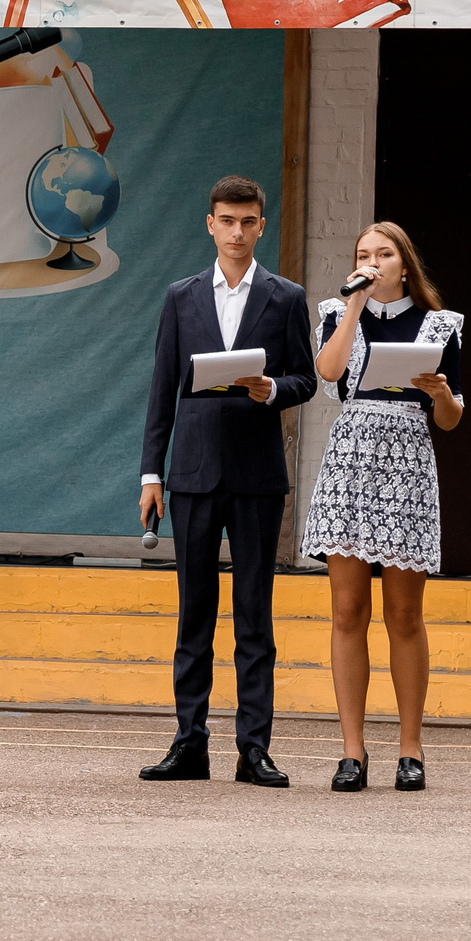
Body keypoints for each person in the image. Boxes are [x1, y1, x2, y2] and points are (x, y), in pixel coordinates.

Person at [137, 174, 316, 788]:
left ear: (262, 226)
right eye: (226, 221)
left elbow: (307, 380)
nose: (237, 232)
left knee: (253, 617)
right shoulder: (180, 297)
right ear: (209, 224)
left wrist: (272, 388)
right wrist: (150, 474)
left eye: (248, 222)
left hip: (258, 477)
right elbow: (162, 390)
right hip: (189, 474)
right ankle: (189, 743)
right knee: (194, 615)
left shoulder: (286, 297)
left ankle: (253, 749)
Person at [301, 222, 466, 794]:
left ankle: (411, 749)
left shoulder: (439, 325)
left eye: (383, 254)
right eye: (363, 255)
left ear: (404, 263)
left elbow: (449, 419)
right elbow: (328, 372)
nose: (372, 262)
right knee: (347, 611)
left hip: (409, 460)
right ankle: (351, 753)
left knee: (404, 615)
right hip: (351, 461)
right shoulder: (337, 310)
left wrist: (441, 393)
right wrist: (354, 306)